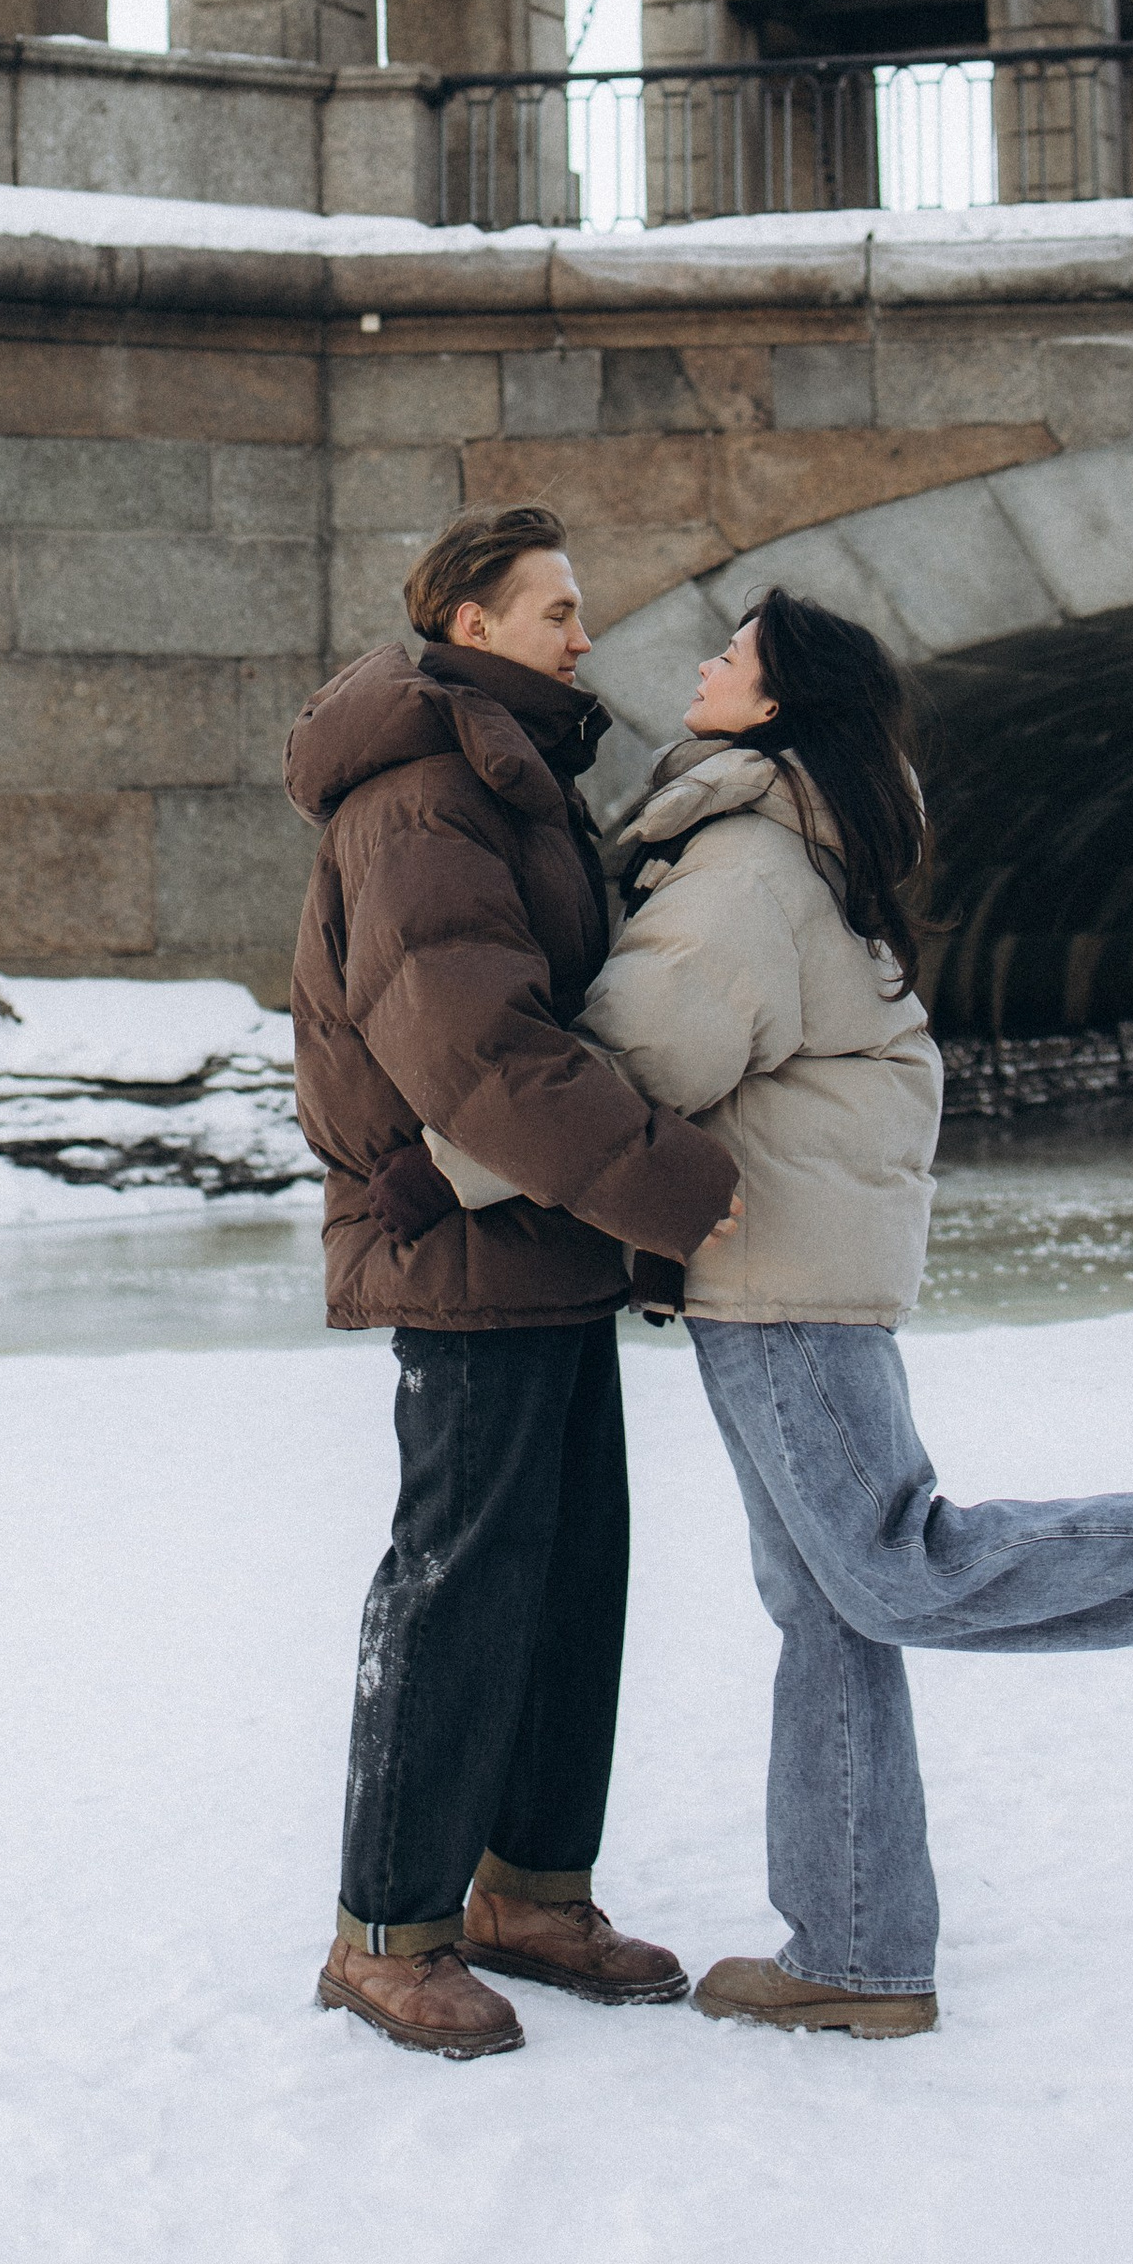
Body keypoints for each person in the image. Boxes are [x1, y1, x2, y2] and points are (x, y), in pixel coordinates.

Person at [481, 584, 1133, 2042]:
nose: (701, 662)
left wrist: (453, 1142)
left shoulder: (748, 868)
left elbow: (645, 1055)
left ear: (773, 704)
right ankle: (858, 1947)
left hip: (781, 1272)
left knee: (884, 1570)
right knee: (829, 1605)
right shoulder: (798, 841)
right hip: (791, 1263)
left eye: (732, 652)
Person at [283, 505, 741, 2062]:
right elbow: (474, 1050)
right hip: (462, 1245)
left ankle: (532, 1894)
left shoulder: (507, 782)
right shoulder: (424, 800)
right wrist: (676, 1185)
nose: (581, 633)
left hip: (536, 1241)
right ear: (470, 626)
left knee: (568, 1583)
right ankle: (388, 1932)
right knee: (459, 1592)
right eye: (554, 607)